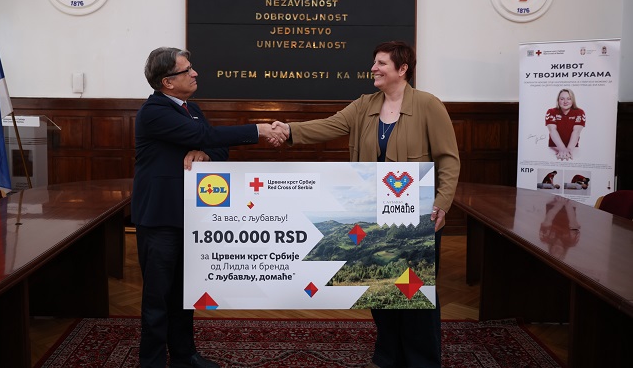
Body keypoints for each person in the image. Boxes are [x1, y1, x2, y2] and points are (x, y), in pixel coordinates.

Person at [272, 41, 460, 368]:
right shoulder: (363, 105)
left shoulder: (429, 105)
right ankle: (388, 356)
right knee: (381, 290)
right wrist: (288, 130)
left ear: (402, 69)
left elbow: (449, 159)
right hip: (373, 214)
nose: (374, 68)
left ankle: (421, 360)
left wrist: (442, 204)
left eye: (381, 63)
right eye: (374, 62)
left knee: (415, 291)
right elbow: (329, 125)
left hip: (419, 216)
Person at [132, 47, 284, 368]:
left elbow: (216, 145)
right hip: (159, 218)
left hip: (190, 216)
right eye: (186, 70)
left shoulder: (192, 108)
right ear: (167, 82)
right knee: (157, 299)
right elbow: (205, 134)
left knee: (183, 294)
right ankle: (152, 362)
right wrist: (258, 129)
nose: (195, 73)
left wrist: (207, 154)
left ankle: (184, 356)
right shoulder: (154, 111)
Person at [545, 89, 585, 161]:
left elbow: (576, 132)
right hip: (554, 149)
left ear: (573, 100)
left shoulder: (580, 112)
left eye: (569, 99)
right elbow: (552, 130)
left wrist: (568, 150)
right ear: (558, 100)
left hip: (573, 149)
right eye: (562, 99)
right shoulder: (551, 112)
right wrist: (562, 148)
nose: (565, 102)